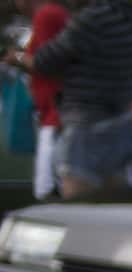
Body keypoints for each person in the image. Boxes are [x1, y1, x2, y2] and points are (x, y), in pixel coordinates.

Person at [17, 0, 132, 197]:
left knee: (78, 205)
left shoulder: (92, 19)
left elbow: (45, 62)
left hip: (87, 124)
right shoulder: (127, 17)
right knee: (113, 203)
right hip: (120, 120)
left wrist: (18, 58)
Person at [12, 0, 68, 200]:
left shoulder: (47, 16)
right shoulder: (52, 14)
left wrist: (16, 58)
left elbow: (47, 63)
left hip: (57, 116)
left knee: (46, 190)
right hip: (52, 114)